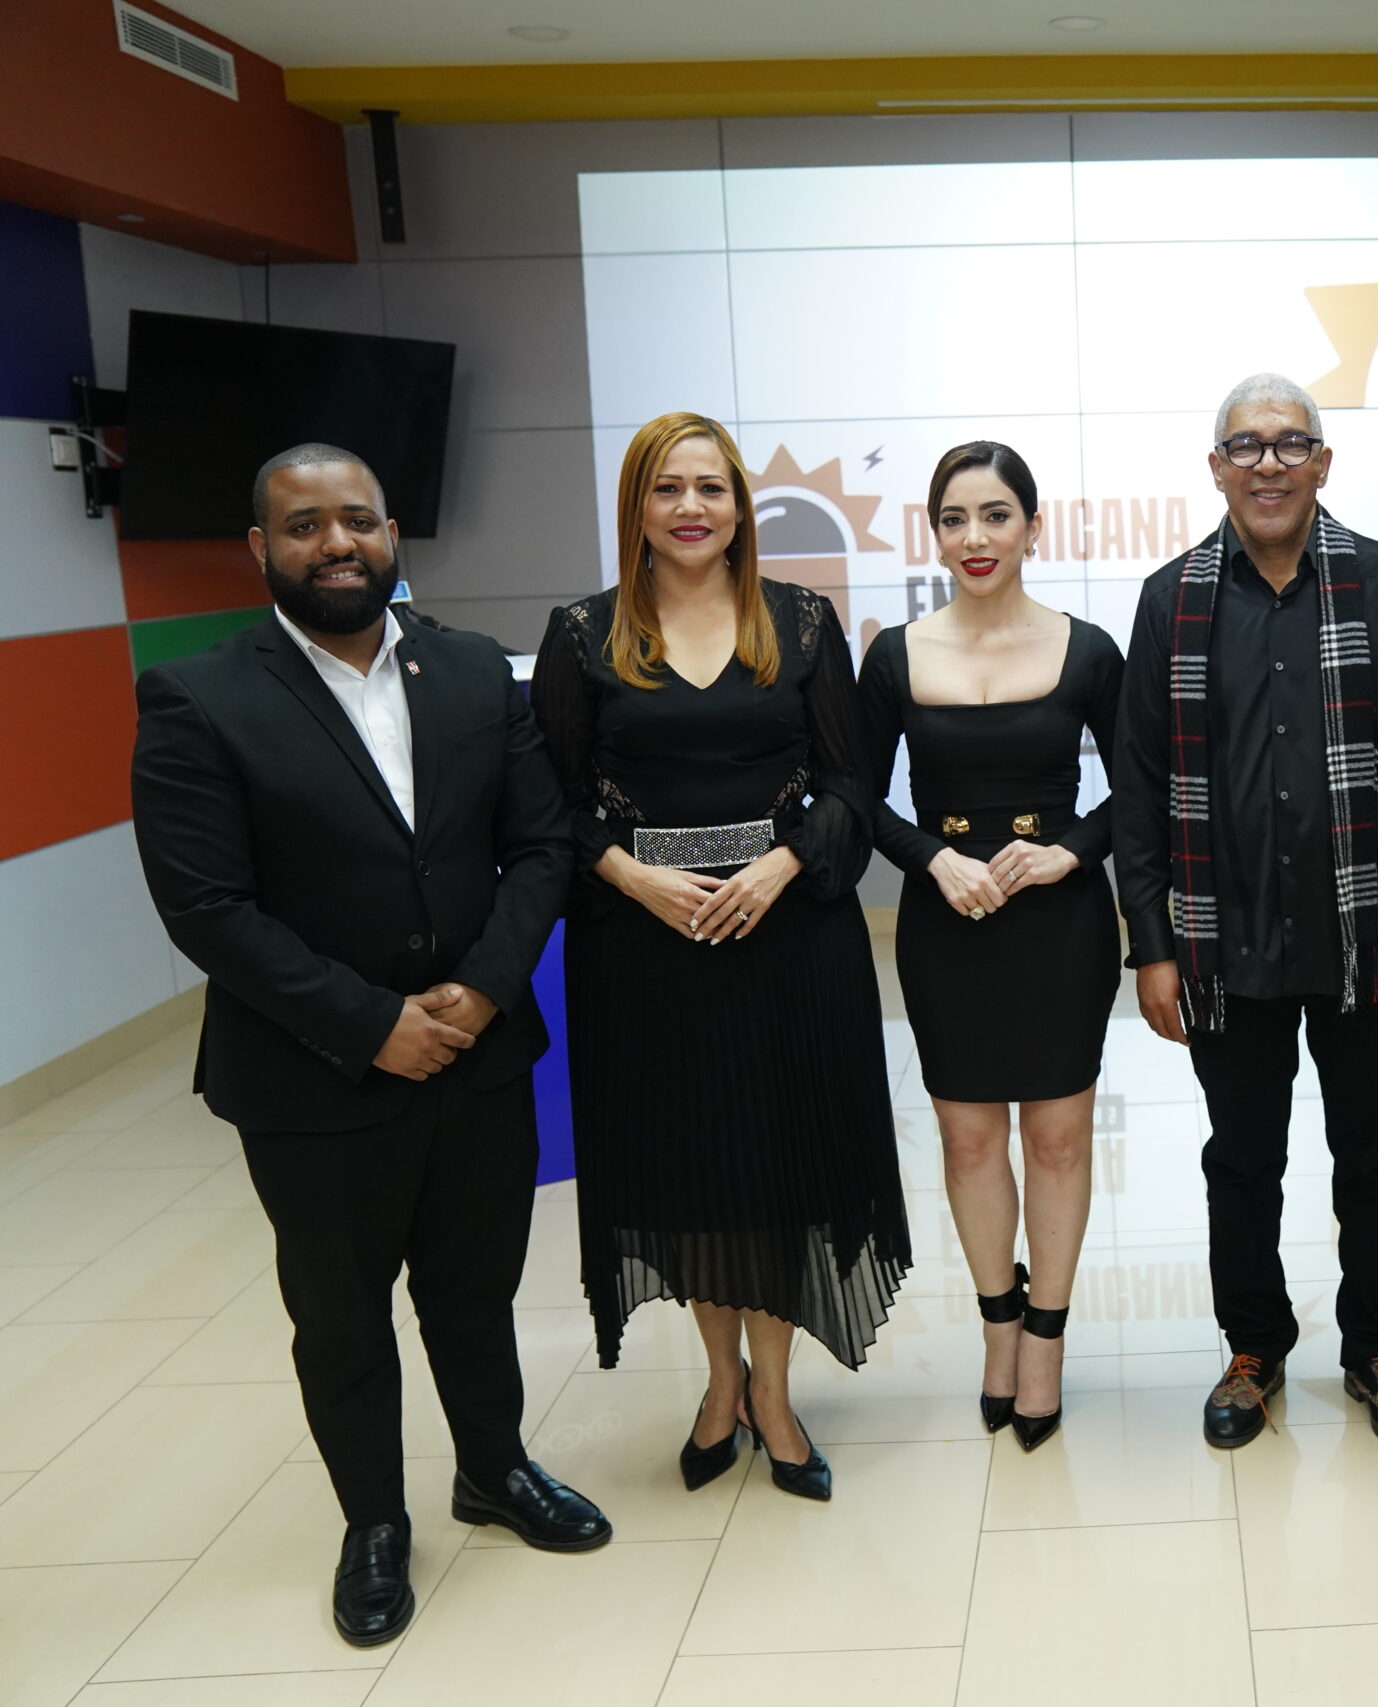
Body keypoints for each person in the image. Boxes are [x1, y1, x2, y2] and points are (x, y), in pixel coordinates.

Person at [131, 444, 610, 1649]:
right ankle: (376, 1524)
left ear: (393, 535)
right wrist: (371, 1023)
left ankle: (493, 1471)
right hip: (310, 1076)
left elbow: (540, 847)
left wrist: (482, 992)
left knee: (475, 1290)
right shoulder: (197, 697)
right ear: (262, 549)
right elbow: (205, 907)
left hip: (480, 1055)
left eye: (357, 520)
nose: (335, 543)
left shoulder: (470, 670)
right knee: (341, 1317)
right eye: (304, 526)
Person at [532, 411, 909, 1505]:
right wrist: (633, 878)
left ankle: (774, 1394)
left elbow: (850, 782)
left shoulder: (800, 620)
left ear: (741, 507)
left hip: (788, 940)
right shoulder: (582, 635)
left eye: (711, 487)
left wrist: (783, 865)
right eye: (667, 488)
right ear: (636, 508)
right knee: (693, 1174)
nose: (691, 507)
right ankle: (720, 1381)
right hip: (646, 955)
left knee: (781, 1169)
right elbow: (550, 803)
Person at [1115, 372, 1378, 1453]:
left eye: (1288, 443)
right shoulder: (1170, 600)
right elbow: (1138, 785)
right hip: (1224, 944)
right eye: (1245, 445)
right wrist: (1153, 946)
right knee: (1241, 1160)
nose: (1267, 462)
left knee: (1374, 1156)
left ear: (1322, 461)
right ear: (1215, 467)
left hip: (1368, 937)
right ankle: (1255, 1348)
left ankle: (1377, 1350)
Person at [856, 441, 1123, 1453]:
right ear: (934, 533)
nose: (976, 537)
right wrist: (931, 858)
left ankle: (1045, 1341)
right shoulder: (895, 655)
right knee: (968, 1139)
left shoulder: (1086, 650)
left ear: (1031, 527)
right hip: (948, 924)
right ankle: (997, 1330)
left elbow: (1143, 787)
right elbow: (853, 796)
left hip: (1060, 924)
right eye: (955, 518)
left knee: (1057, 1139)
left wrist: (1069, 852)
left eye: (997, 515)